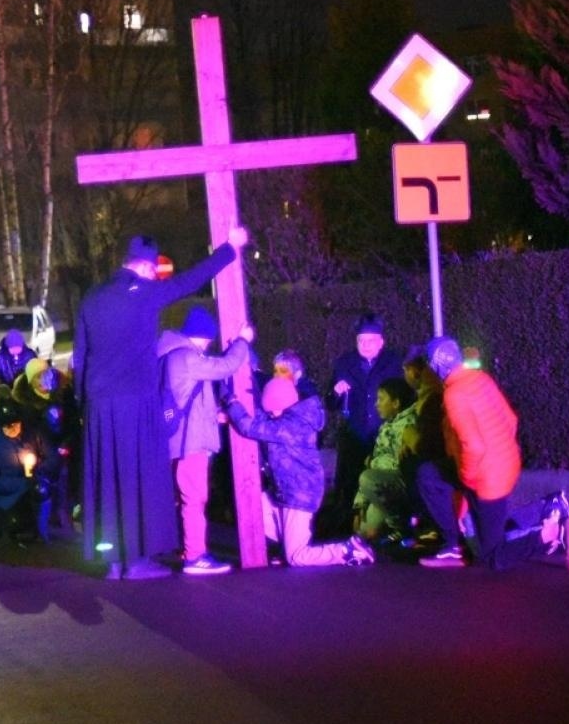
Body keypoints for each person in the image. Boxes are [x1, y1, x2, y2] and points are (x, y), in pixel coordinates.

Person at [72, 226, 247, 580]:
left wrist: (82, 402)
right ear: (146, 266)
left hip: (98, 404)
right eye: (154, 270)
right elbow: (190, 281)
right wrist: (230, 248)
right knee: (139, 478)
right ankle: (136, 562)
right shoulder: (146, 293)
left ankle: (112, 561)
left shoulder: (92, 297)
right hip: (136, 400)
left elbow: (81, 354)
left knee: (108, 481)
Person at [415, 337, 569, 570]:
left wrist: (467, 480)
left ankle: (551, 536)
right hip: (503, 463)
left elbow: (474, 446)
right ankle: (548, 506)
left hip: (485, 477)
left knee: (491, 555)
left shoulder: (454, 395)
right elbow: (511, 420)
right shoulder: (481, 378)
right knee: (429, 475)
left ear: (436, 366)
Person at [225, 353, 375, 568]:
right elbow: (261, 418)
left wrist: (231, 403)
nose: (272, 414)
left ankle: (345, 550)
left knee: (297, 557)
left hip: (299, 494)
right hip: (286, 490)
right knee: (255, 506)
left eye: (273, 410)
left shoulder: (291, 426)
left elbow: (250, 427)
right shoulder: (289, 414)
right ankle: (287, 545)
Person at [158, 305, 253, 576]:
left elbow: (189, 398)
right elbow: (225, 367)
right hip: (190, 443)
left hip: (179, 439)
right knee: (195, 498)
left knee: (186, 498)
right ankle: (195, 557)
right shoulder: (186, 356)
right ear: (203, 336)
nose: (209, 346)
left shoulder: (170, 354)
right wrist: (243, 341)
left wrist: (213, 416)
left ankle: (188, 549)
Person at [324, 314, 404, 537]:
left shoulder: (394, 364)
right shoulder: (344, 363)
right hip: (354, 437)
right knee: (352, 486)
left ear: (381, 342)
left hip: (384, 437)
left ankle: (387, 530)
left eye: (371, 341)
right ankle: (352, 531)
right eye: (361, 340)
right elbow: (330, 403)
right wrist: (335, 392)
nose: (366, 345)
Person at [0, 401, 59, 542]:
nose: (13, 428)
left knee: (42, 490)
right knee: (16, 524)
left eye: (16, 424)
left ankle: (42, 530)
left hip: (34, 484)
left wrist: (39, 470)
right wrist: (23, 484)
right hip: (7, 496)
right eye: (8, 426)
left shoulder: (32, 432)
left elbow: (52, 456)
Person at [353, 377, 419, 542]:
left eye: (381, 399)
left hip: (401, 485)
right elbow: (375, 465)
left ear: (396, 403)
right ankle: (391, 524)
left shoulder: (408, 425)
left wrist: (372, 462)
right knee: (363, 531)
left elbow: (396, 463)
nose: (376, 404)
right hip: (385, 485)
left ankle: (402, 526)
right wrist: (360, 503)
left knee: (368, 478)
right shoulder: (385, 427)